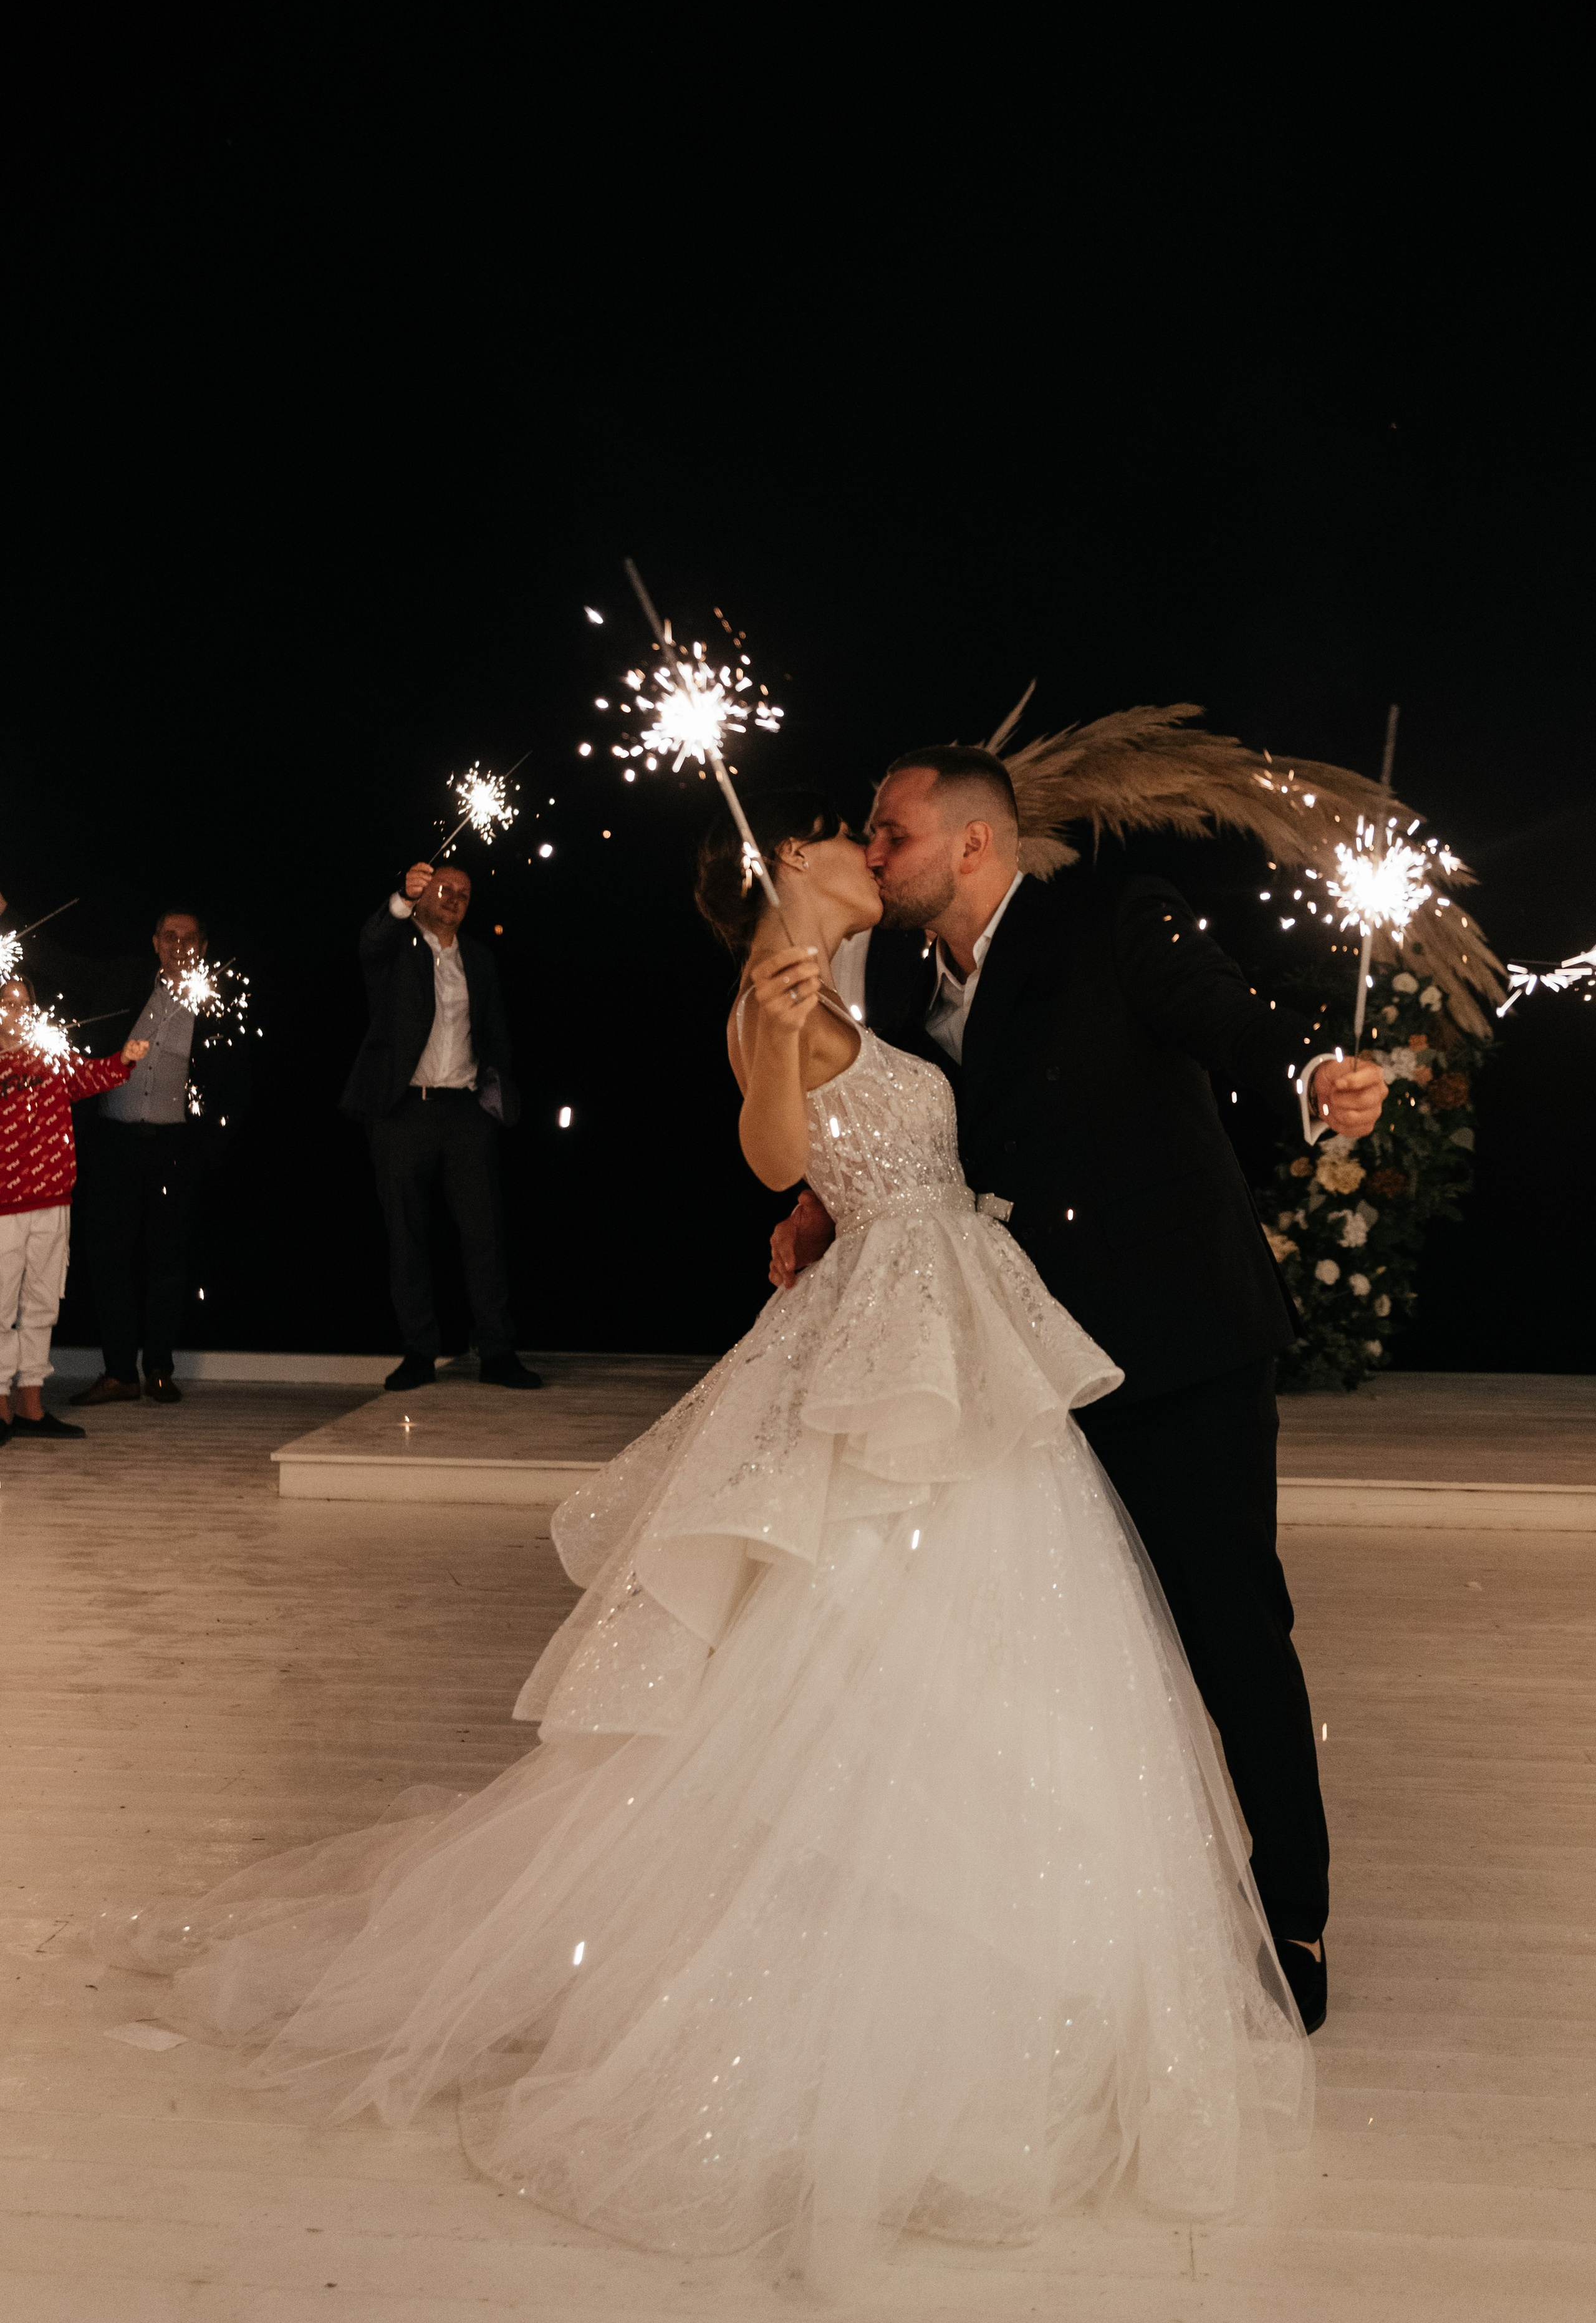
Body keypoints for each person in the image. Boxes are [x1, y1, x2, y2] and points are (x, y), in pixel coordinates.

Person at [100, 793, 1313, 2297]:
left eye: (879, 832)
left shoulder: (898, 986)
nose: (864, 853)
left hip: (951, 1324)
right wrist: (777, 1042)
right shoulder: (780, 994)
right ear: (774, 877)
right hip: (893, 1342)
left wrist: (820, 1156)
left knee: (1015, 1628)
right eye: (837, 839)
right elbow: (764, 1150)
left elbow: (885, 1157)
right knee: (873, 1630)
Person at [773, 747, 1389, 2036]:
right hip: (1011, 1361)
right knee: (1055, 1648)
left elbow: (1233, 1026)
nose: (871, 855)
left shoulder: (1112, 921)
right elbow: (904, 1137)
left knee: (1226, 1629)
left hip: (1173, 1344)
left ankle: (1293, 1911)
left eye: (890, 835)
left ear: (973, 846)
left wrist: (1316, 1084)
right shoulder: (889, 972)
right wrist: (818, 1203)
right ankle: (1089, 1921)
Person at [341, 861, 538, 1392]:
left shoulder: (478, 958)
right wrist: (399, 899)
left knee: (485, 1234)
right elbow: (369, 940)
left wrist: (498, 1095)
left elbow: (495, 1032)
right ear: (423, 894)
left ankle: (497, 1351)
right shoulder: (395, 950)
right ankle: (418, 1353)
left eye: (464, 894)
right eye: (444, 889)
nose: (453, 899)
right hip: (403, 1111)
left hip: (464, 1113)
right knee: (407, 1236)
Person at [59, 905, 251, 1408]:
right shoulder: (126, 980)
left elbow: (235, 1081)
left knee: (169, 1261)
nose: (179, 944)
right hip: (114, 1142)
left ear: (204, 945)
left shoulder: (219, 1001)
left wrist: (208, 1149)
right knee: (108, 1258)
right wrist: (7, 915)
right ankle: (120, 1373)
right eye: (170, 936)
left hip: (177, 1148)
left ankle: (160, 1369)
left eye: (189, 937)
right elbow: (65, 965)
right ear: (155, 942)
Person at [0, 975, 149, 1444]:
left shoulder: (50, 1055)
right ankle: (0, 1409)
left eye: (24, 1002)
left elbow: (89, 1078)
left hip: (53, 1200)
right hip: (4, 1206)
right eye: (6, 1001)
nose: (16, 1010)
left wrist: (123, 1060)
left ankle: (31, 1406)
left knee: (42, 1305)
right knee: (0, 1309)